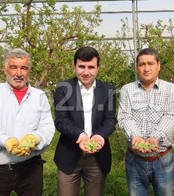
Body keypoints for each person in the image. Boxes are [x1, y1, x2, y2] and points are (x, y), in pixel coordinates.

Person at [0, 48, 55, 195]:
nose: (18, 73)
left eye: (23, 68)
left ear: (29, 71)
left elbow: (47, 127)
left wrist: (36, 138)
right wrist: (5, 141)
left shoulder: (39, 96)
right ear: (5, 70)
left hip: (30, 169)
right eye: (13, 67)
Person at [53, 46, 116, 196]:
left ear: (97, 68)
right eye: (81, 66)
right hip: (69, 153)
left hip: (97, 156)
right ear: (74, 66)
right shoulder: (63, 88)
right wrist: (80, 135)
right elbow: (61, 120)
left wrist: (99, 135)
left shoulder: (108, 90)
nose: (86, 72)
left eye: (91, 67)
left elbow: (110, 119)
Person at [117, 48, 174, 196]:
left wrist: (155, 137)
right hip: (135, 159)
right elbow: (125, 117)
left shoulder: (170, 89)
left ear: (158, 66)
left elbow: (171, 116)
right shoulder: (127, 90)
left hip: (162, 158)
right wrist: (136, 137)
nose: (146, 68)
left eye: (150, 63)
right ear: (137, 67)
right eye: (142, 64)